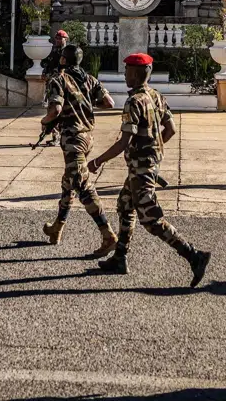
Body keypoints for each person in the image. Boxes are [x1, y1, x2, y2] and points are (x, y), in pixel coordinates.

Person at [88, 53, 211, 286]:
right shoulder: (156, 96)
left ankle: (194, 255)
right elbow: (171, 129)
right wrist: (153, 151)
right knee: (125, 205)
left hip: (141, 168)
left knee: (151, 219)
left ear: (135, 74)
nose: (124, 74)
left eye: (126, 71)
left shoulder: (134, 101)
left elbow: (124, 142)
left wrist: (97, 161)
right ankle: (120, 257)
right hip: (143, 166)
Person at [39, 44, 118, 257]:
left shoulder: (58, 79)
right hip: (88, 137)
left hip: (73, 139)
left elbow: (55, 109)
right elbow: (109, 103)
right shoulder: (89, 79)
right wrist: (86, 104)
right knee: (69, 182)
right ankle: (57, 227)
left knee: (83, 186)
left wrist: (44, 121)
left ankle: (107, 234)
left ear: (63, 60)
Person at [38, 29, 70, 147]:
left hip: (61, 86)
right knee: (52, 109)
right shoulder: (54, 51)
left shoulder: (67, 53)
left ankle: (60, 137)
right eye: (56, 38)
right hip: (52, 85)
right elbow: (49, 63)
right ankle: (55, 137)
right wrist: (44, 72)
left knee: (59, 111)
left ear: (65, 39)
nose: (57, 40)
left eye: (59, 38)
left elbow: (65, 69)